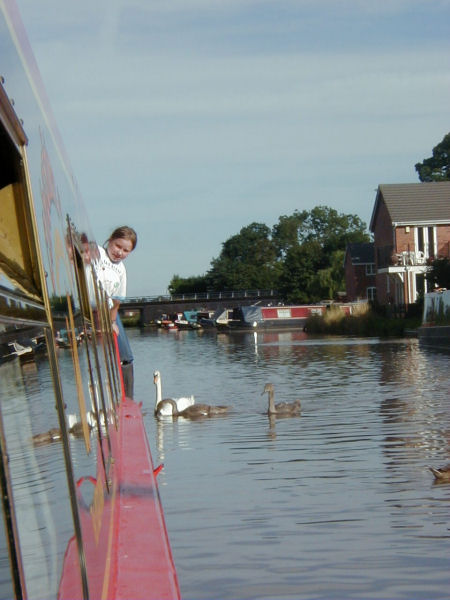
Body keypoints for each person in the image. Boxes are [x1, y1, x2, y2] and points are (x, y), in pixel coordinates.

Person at [95, 226, 137, 398]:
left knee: (125, 355)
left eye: (126, 250)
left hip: (109, 311)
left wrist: (111, 322)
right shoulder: (97, 252)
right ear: (110, 240)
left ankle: (128, 399)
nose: (120, 253)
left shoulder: (121, 270)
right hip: (94, 307)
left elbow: (116, 303)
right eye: (117, 246)